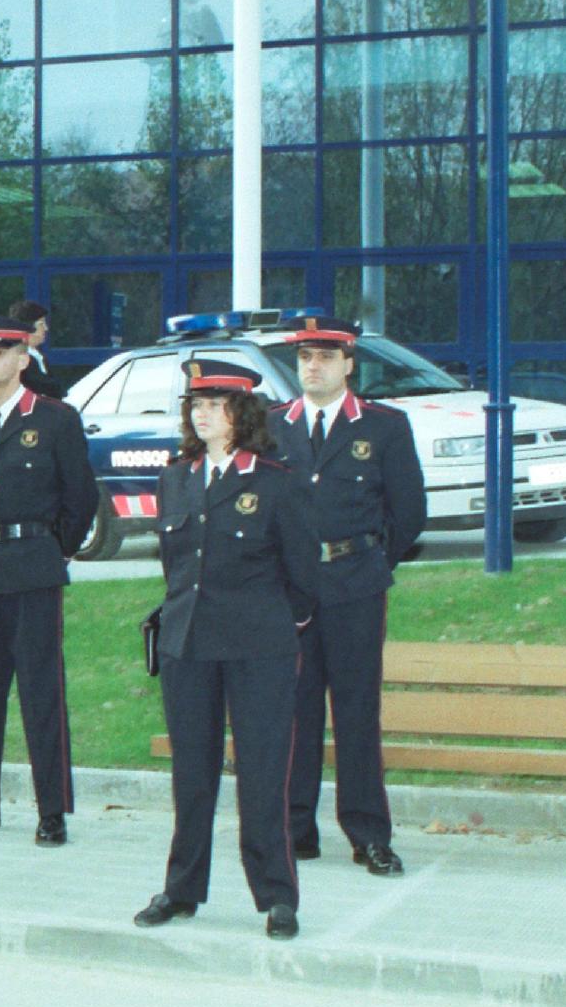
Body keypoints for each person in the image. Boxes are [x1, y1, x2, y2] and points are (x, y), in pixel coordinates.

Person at [134, 360, 321, 942]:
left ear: (243, 413)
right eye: (196, 404)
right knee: (192, 775)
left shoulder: (276, 480)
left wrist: (269, 622)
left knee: (263, 775)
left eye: (215, 404)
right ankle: (182, 888)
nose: (203, 412)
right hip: (188, 643)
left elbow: (304, 575)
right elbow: (177, 568)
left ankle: (277, 896)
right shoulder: (177, 477)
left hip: (257, 644)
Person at [270, 316, 426, 876]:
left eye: (325, 357)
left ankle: (367, 834)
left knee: (357, 711)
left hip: (355, 585)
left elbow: (408, 512)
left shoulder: (383, 426)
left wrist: (368, 562)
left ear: (349, 364)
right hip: (291, 591)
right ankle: (295, 830)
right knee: (294, 711)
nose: (313, 367)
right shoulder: (271, 427)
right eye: (305, 357)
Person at [0, 314, 99, 847]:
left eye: (2, 350)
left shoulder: (54, 419)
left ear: (23, 359)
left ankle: (52, 809)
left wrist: (56, 549)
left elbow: (81, 497)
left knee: (40, 692)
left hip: (32, 565)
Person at [8, 300, 64, 399]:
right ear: (27, 328)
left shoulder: (39, 357)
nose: (46, 329)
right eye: (41, 324)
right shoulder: (17, 358)